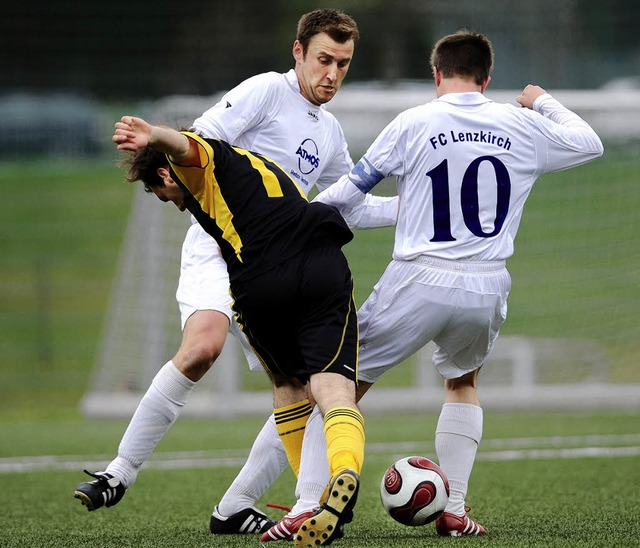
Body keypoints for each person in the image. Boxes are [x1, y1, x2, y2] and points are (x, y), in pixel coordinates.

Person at [239, 29, 605, 541]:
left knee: (334, 387)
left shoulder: (414, 122)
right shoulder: (520, 124)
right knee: (463, 383)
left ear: (436, 75)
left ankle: (305, 505)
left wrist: (288, 225)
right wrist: (540, 100)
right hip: (487, 285)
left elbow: (349, 191)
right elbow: (590, 142)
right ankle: (453, 508)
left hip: (417, 278)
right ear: (487, 78)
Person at [74, 7, 397, 539]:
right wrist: (162, 148)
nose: (333, 74)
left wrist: (414, 209)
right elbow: (202, 137)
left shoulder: (333, 132)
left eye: (343, 63)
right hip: (219, 243)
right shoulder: (267, 91)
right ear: (297, 52)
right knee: (204, 347)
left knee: (299, 388)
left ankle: (252, 506)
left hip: (280, 262)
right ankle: (119, 471)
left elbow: (350, 208)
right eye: (324, 60)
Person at [109, 115, 365, 547]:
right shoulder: (258, 162)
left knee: (287, 383)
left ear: (166, 171)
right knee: (335, 389)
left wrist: (154, 135)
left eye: (162, 193)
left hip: (262, 282)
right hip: (322, 263)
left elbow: (185, 147)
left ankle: (313, 496)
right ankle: (341, 472)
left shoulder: (201, 160)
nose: (171, 203)